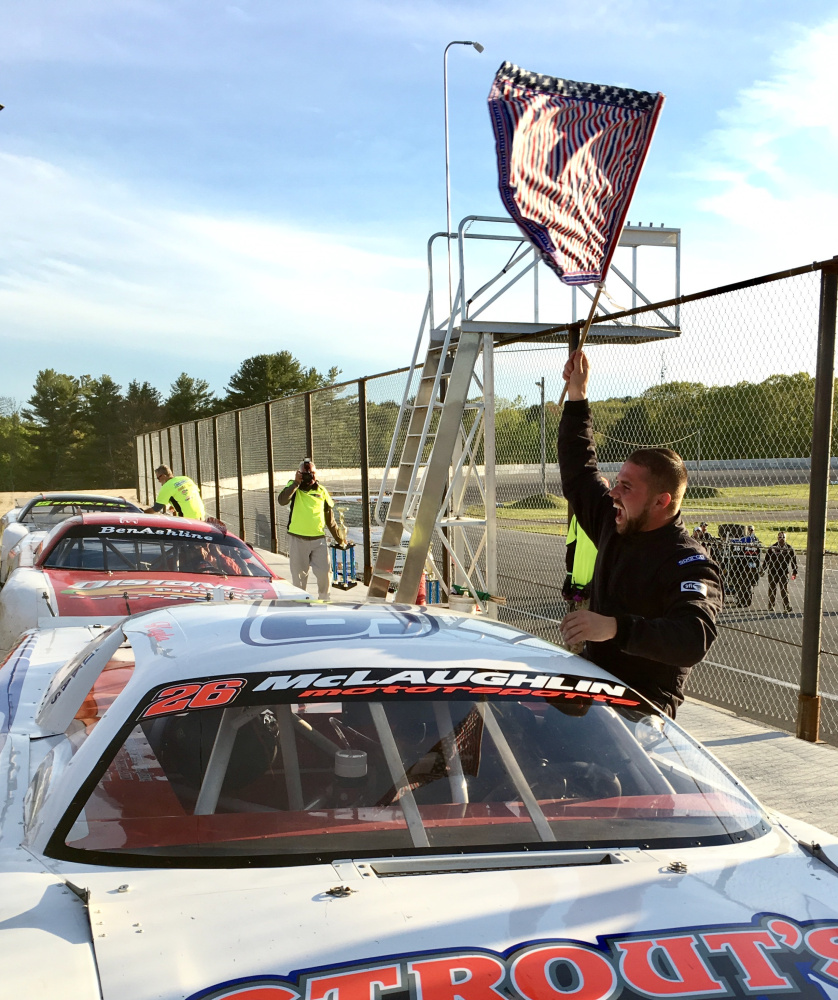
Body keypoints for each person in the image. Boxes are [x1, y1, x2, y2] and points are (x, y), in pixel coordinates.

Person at [557, 349, 723, 718]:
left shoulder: (689, 562)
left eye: (626, 487)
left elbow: (692, 637)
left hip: (640, 706)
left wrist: (615, 628)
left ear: (662, 501)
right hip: (593, 681)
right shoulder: (615, 520)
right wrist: (577, 397)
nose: (613, 493)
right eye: (616, 483)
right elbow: (580, 472)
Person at [277, 459, 346, 599]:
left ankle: (324, 601)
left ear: (316, 474)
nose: (309, 477)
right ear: (299, 474)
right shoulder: (293, 486)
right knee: (299, 577)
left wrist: (340, 539)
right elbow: (282, 500)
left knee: (325, 573)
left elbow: (330, 520)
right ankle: (301, 605)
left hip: (318, 540)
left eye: (312, 473)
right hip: (297, 538)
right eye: (305, 474)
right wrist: (296, 483)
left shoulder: (322, 491)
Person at [762, 530, 798, 613]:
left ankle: (787, 606)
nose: (782, 539)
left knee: (784, 590)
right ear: (777, 538)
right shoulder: (773, 548)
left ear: (786, 538)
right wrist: (763, 569)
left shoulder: (789, 549)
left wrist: (794, 572)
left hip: (784, 572)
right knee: (772, 589)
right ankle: (771, 606)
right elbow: (767, 560)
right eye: (780, 537)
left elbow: (793, 561)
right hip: (772, 572)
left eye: (783, 537)